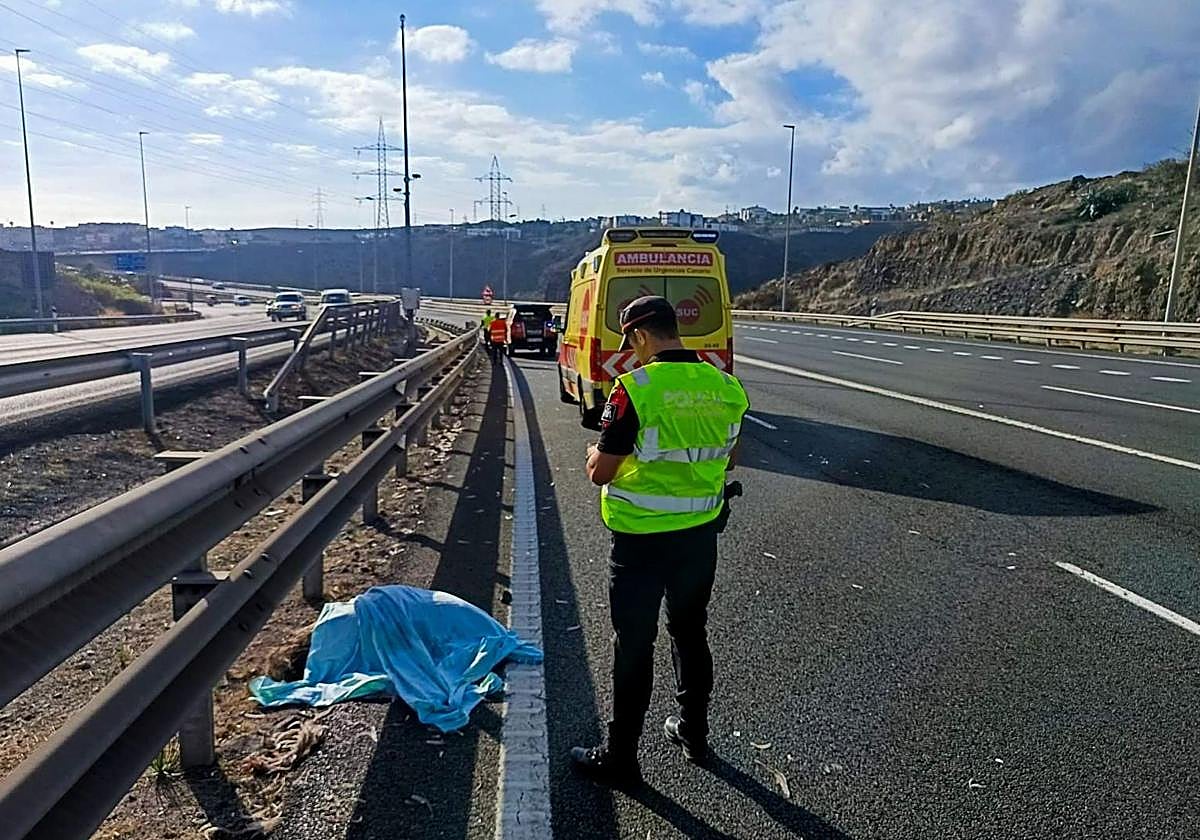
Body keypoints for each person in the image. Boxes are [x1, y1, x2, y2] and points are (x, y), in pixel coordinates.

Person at [570, 295, 749, 788]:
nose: (631, 349)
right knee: (690, 632)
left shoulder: (635, 389)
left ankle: (622, 757)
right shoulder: (725, 386)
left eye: (630, 340)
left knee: (634, 643)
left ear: (643, 334)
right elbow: (729, 460)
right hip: (699, 536)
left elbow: (601, 471)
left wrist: (591, 454)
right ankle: (694, 733)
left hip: (640, 542)